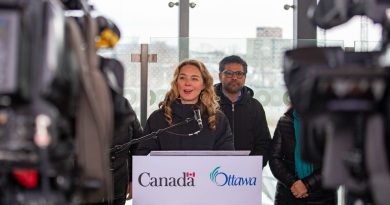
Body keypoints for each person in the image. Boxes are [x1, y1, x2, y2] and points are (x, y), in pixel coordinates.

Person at [135, 59, 234, 155]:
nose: (187, 83)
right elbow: (144, 155)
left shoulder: (217, 119)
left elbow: (227, 159)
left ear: (203, 84)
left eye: (194, 78)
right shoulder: (158, 118)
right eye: (182, 78)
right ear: (176, 82)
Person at [269, 107, 337, 205]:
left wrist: (307, 185)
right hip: (288, 195)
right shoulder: (285, 121)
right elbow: (274, 158)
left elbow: (334, 162)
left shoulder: (331, 122)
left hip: (321, 196)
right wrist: (293, 183)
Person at [214, 55, 271, 167]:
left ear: (245, 77)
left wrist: (252, 166)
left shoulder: (255, 106)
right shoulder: (208, 105)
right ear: (220, 76)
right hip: (212, 171)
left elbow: (264, 143)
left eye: (239, 74)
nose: (234, 77)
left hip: (247, 174)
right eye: (229, 73)